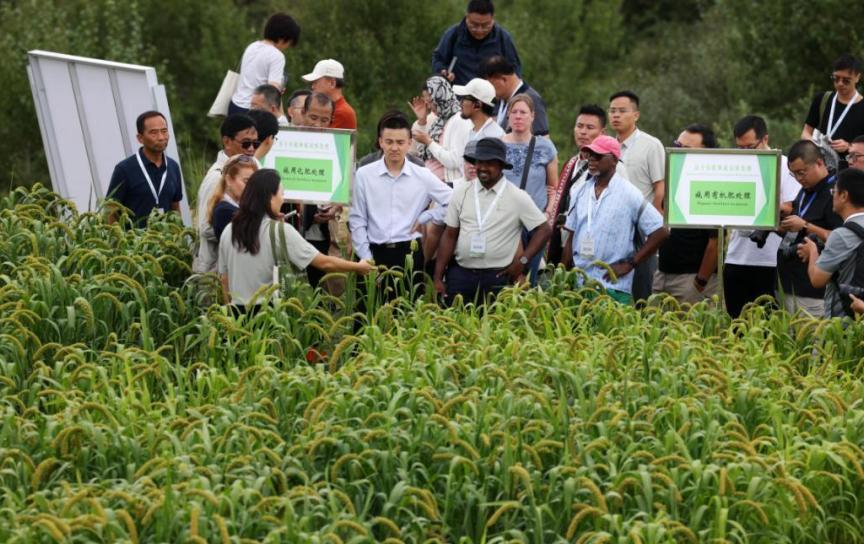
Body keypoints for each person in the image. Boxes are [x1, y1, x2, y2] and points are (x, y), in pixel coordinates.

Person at [219, 169, 374, 312]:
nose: (283, 199)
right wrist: (358, 267)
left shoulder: (229, 230)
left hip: (235, 313)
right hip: (268, 312)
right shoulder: (280, 231)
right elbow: (324, 263)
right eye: (281, 194)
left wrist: (229, 313)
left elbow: (224, 278)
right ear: (270, 197)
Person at [434, 138, 551, 303]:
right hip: (462, 275)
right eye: (479, 162)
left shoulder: (517, 196)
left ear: (501, 166)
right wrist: (438, 276)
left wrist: (522, 261)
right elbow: (450, 235)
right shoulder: (461, 192)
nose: (482, 168)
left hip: (498, 276)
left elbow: (544, 230)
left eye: (489, 163)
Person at [563, 135, 669, 305]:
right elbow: (571, 236)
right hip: (580, 284)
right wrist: (563, 275)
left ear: (613, 160)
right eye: (589, 155)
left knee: (611, 331)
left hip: (613, 286)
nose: (591, 160)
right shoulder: (580, 191)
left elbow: (661, 231)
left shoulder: (629, 193)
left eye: (598, 156)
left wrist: (630, 264)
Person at [349, 113, 453, 276]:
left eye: (400, 142)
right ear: (381, 142)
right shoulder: (364, 174)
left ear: (409, 143)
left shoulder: (422, 175)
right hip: (372, 251)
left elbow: (453, 201)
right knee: (368, 301)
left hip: (409, 253)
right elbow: (357, 219)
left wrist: (427, 215)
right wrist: (366, 258)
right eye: (389, 142)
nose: (394, 148)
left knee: (409, 300)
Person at [723, 115, 801, 317]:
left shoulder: (785, 166)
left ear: (765, 139)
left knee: (769, 325)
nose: (744, 153)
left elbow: (789, 206)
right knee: (737, 323)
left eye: (750, 147)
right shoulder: (733, 166)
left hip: (769, 261)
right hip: (736, 257)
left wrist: (753, 209)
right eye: (740, 148)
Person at [609, 90, 665, 301]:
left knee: (642, 291)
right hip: (612, 229)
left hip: (641, 232)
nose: (616, 115)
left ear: (636, 115)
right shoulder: (605, 146)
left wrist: (655, 228)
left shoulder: (651, 145)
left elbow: (660, 188)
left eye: (622, 111)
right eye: (613, 111)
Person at [653, 124, 719, 304]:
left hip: (690, 279)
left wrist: (700, 281)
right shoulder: (673, 179)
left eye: (685, 148)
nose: (677, 150)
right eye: (677, 144)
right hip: (662, 274)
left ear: (706, 152)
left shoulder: (711, 185)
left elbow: (716, 242)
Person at [776, 140, 843, 316]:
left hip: (812, 290)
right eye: (794, 175)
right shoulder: (805, 190)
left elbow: (841, 238)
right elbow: (797, 233)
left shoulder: (836, 193)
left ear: (819, 163)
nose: (799, 179)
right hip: (788, 284)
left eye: (802, 172)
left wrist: (805, 225)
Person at [501, 94, 558, 284]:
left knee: (529, 274)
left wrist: (548, 212)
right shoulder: (498, 144)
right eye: (514, 112)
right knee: (508, 275)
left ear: (532, 116)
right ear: (508, 115)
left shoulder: (545, 147)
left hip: (535, 220)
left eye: (523, 112)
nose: (518, 116)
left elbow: (553, 186)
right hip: (506, 219)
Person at [798, 167, 864, 318]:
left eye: (833, 192)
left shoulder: (842, 235)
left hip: (845, 324)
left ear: (844, 196)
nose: (831, 196)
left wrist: (812, 252)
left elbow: (817, 279)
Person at [548, 105, 607, 265]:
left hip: (592, 247)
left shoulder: (610, 166)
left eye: (590, 127)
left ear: (602, 133)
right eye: (579, 126)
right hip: (563, 240)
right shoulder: (571, 163)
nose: (583, 132)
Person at [106, 111, 183, 227]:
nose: (161, 137)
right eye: (153, 133)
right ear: (140, 138)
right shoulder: (124, 170)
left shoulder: (173, 167)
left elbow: (175, 207)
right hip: (136, 243)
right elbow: (111, 211)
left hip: (167, 241)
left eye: (164, 131)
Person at [194, 114, 258, 238]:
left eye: (256, 143)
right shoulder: (217, 177)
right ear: (227, 142)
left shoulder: (249, 168)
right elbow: (205, 228)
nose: (251, 149)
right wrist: (246, 227)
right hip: (218, 256)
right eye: (246, 143)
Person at [193, 155, 259, 275]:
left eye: (254, 183)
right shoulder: (225, 211)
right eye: (246, 181)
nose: (251, 187)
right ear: (229, 180)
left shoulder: (237, 206)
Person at [431, 0, 521, 86]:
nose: (479, 30)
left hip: (493, 99)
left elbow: (514, 70)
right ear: (467, 17)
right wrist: (443, 71)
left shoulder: (503, 38)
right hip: (458, 97)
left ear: (493, 19)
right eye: (474, 25)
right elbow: (438, 58)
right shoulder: (454, 35)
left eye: (485, 26)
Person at [801, 54, 864, 169]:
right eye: (836, 78)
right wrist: (815, 145)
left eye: (846, 80)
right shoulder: (822, 99)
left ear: (857, 77)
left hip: (850, 173)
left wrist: (849, 146)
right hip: (820, 169)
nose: (840, 83)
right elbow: (805, 132)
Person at [229, 13, 300, 114]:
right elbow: (272, 92)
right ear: (283, 39)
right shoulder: (277, 56)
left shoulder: (252, 46)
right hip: (255, 110)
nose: (287, 47)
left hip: (235, 105)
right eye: (289, 43)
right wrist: (281, 117)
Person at [410, 76, 473, 183]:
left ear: (440, 97)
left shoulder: (459, 120)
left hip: (449, 186)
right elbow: (421, 153)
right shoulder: (440, 120)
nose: (429, 107)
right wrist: (422, 122)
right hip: (433, 185)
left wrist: (429, 142)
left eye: (430, 101)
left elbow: (454, 161)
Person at [481, 55, 549, 137]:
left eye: (490, 85)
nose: (489, 90)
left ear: (503, 79)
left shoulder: (532, 100)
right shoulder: (501, 99)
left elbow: (543, 140)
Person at [302, 59, 356, 130]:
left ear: (332, 83)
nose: (312, 86)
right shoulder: (340, 109)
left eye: (316, 81)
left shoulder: (342, 112)